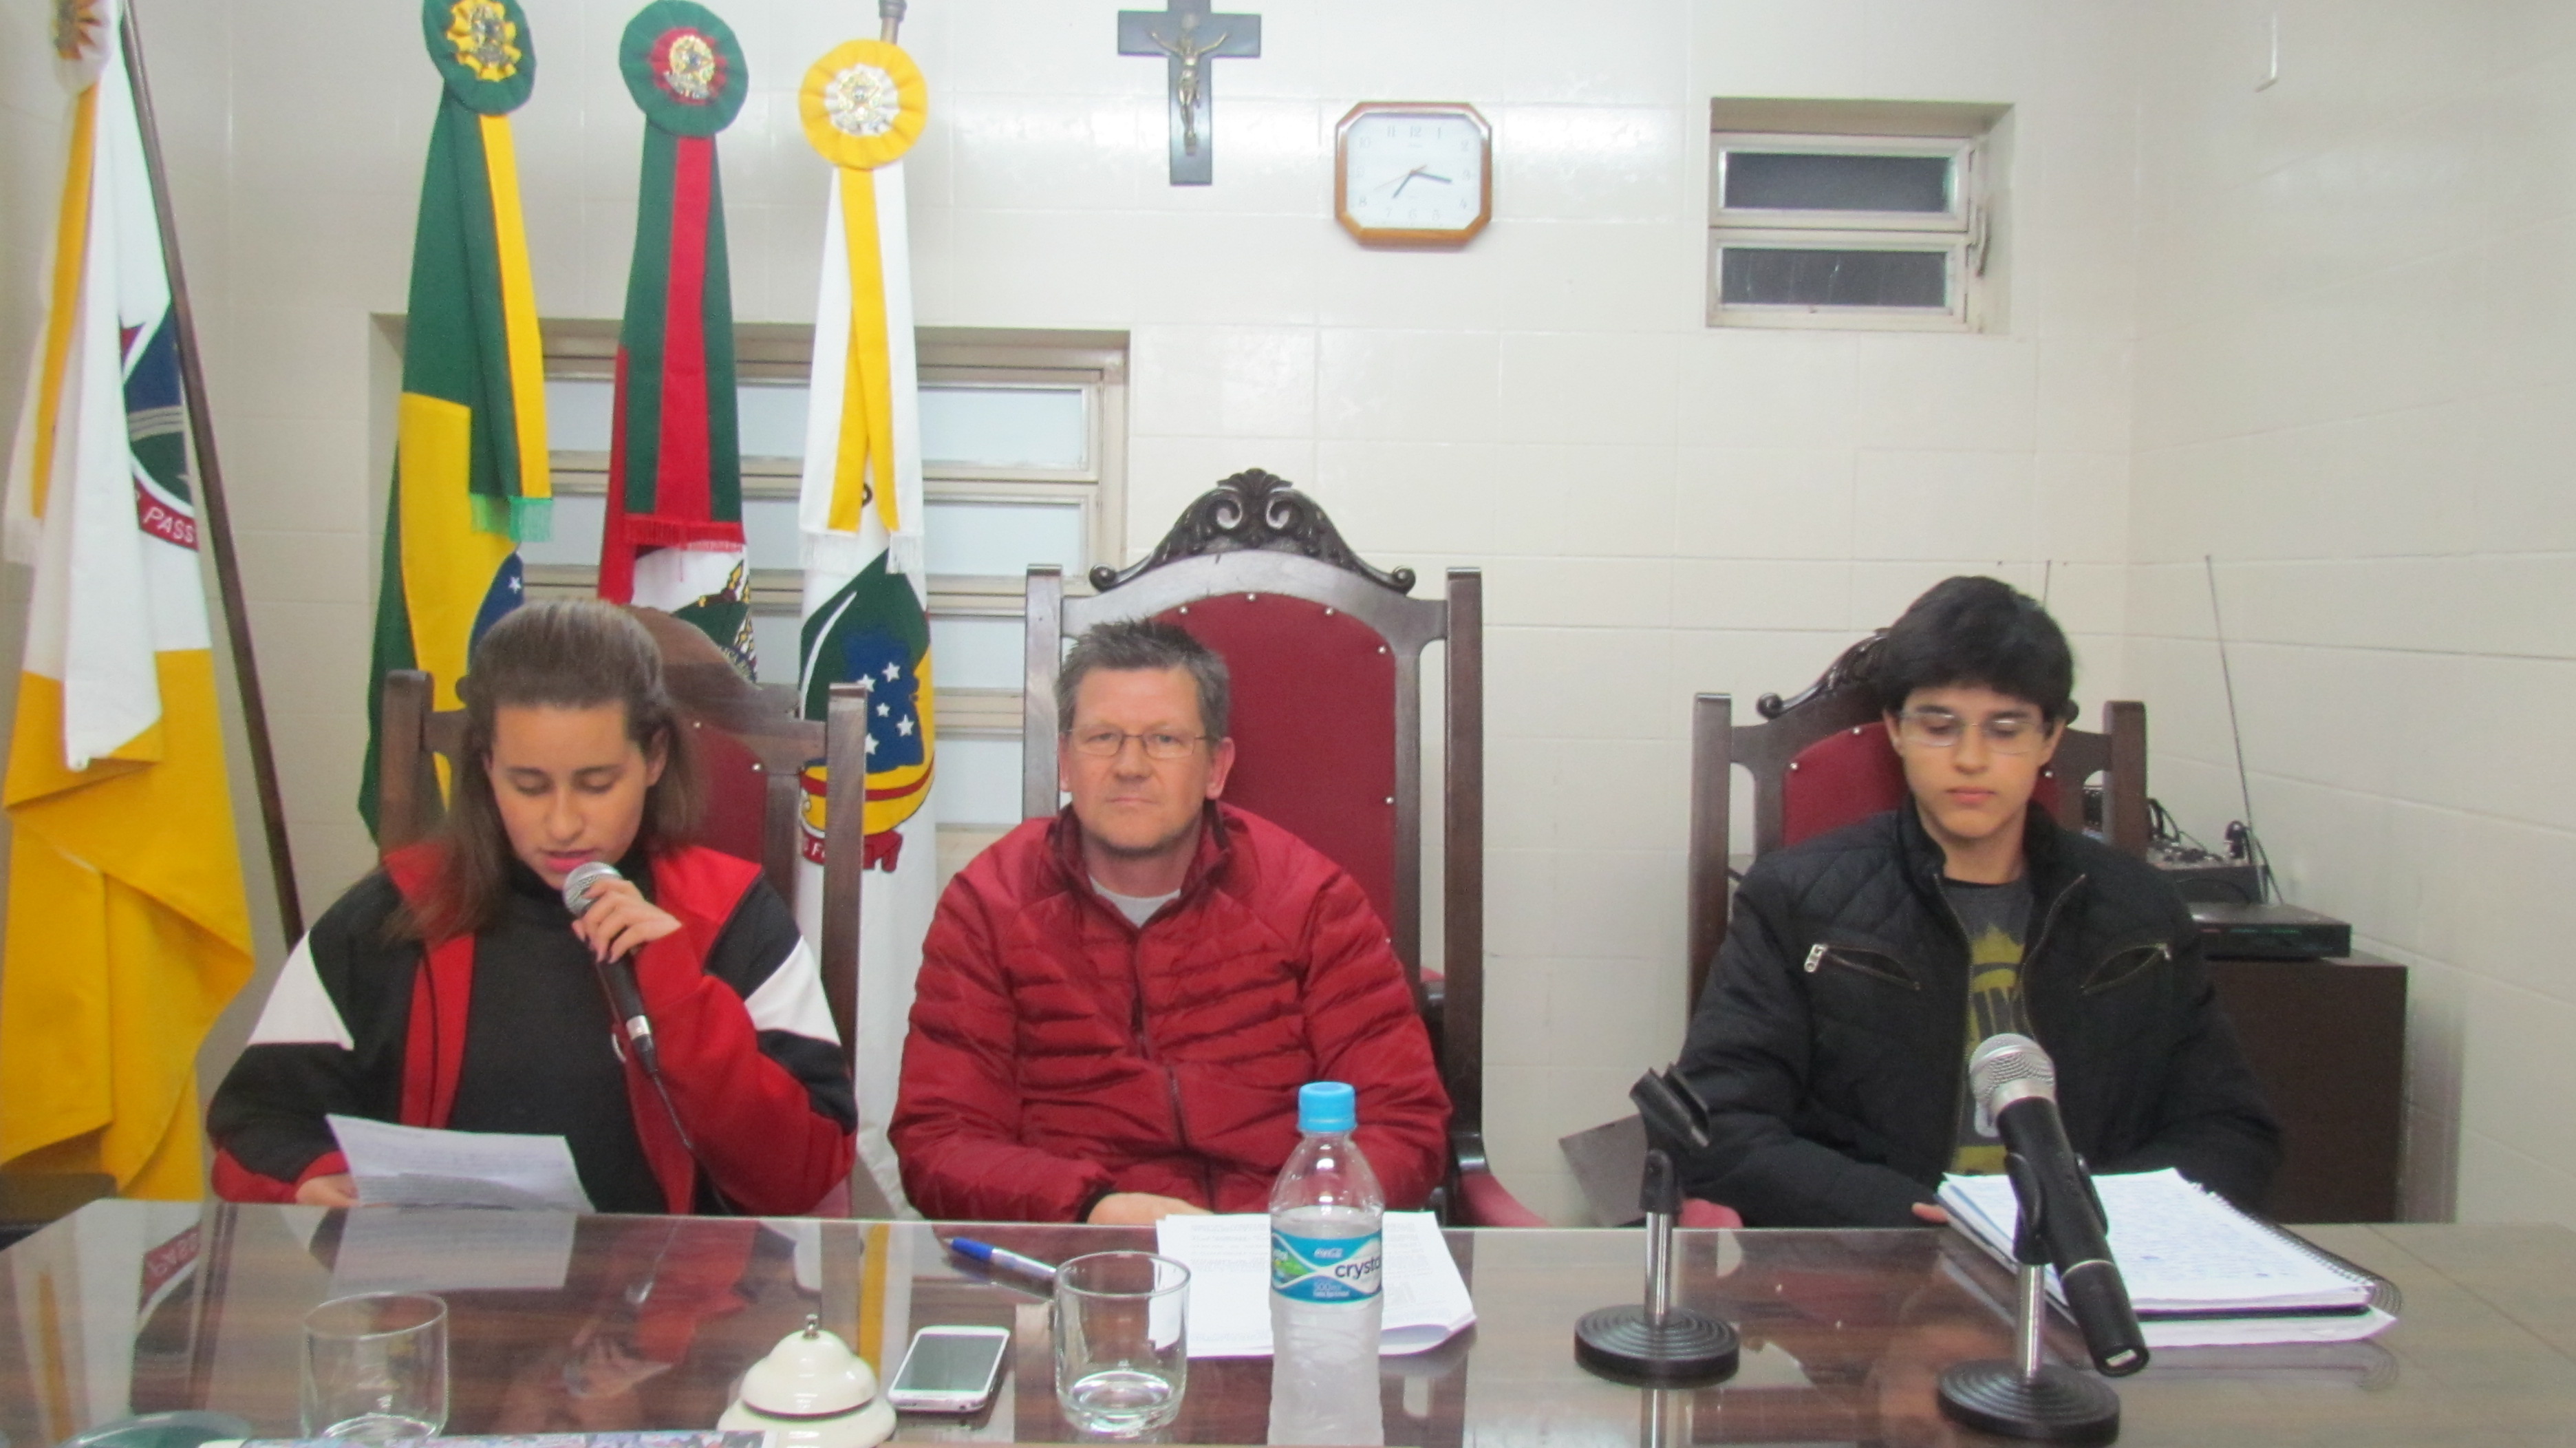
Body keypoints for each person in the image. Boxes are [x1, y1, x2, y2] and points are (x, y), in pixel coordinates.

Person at [208, 601, 855, 1214]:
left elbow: (802, 1175)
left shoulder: (732, 913)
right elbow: (256, 1123)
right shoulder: (394, 913)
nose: (563, 823)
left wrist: (679, 994)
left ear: (654, 758)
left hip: (676, 1305)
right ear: (487, 767)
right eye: (528, 785)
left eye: (597, 784)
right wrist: (313, 1179)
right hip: (441, 1303)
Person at [1675, 575, 2279, 1228]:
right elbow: (1718, 1127)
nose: (1970, 758)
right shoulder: (1794, 899)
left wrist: (2096, 1216)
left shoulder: (2140, 910)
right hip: (1873, 1268)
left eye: (2005, 729)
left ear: (2049, 739)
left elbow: (2230, 1133)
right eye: (1939, 726)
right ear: (1895, 731)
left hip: (2089, 1266)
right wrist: (1903, 1213)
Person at [892, 619, 1450, 1223]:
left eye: (1164, 740)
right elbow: (940, 1143)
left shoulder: (1312, 900)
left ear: (1216, 767)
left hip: (1281, 1251)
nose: (1130, 766)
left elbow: (1405, 1125)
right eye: (1103, 737)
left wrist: (1290, 1223)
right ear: (1064, 762)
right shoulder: (989, 904)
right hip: (1078, 1254)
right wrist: (1090, 1208)